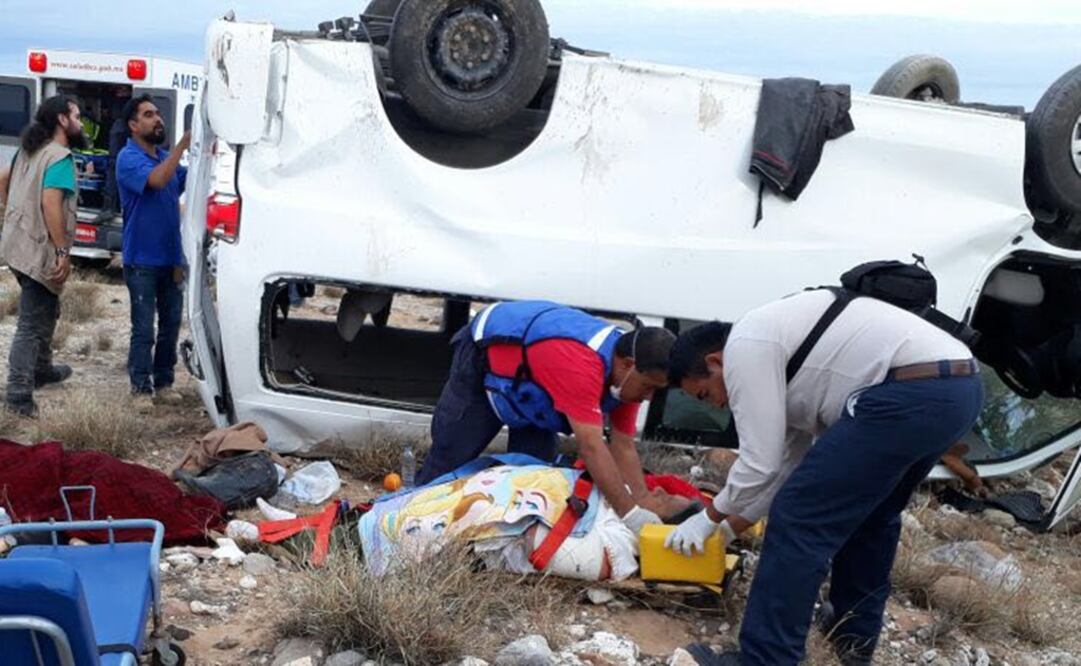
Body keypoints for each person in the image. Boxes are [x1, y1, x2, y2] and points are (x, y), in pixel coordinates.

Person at [664, 291, 984, 665]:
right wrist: (731, 527)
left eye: (705, 394)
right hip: (958, 388)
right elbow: (784, 467)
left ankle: (766, 658)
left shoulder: (746, 346)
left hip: (909, 391)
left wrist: (709, 517)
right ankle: (851, 642)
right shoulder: (779, 348)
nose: (716, 405)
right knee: (872, 517)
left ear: (715, 361)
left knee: (799, 518)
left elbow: (759, 463)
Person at [416, 300, 680, 533]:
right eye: (649, 387)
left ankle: (501, 542)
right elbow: (591, 447)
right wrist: (629, 515)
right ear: (628, 365)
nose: (649, 397)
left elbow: (623, 446)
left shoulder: (627, 379)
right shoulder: (582, 365)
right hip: (486, 359)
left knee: (533, 484)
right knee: (450, 458)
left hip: (538, 388)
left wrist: (641, 500)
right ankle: (408, 520)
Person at [0, 95, 84, 416]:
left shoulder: (29, 150)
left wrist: (13, 213)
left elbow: (3, 180)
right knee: (32, 323)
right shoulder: (59, 157)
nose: (80, 122)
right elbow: (51, 203)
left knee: (48, 308)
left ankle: (42, 368)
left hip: (16, 244)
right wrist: (62, 249)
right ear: (62, 120)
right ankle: (19, 392)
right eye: (76, 115)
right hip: (38, 249)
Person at [116, 94, 191, 408]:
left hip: (171, 258)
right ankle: (140, 388)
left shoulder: (164, 158)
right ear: (133, 125)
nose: (158, 119)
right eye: (149, 114)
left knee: (170, 326)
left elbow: (194, 180)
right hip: (142, 260)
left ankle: (164, 382)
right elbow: (159, 181)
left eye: (158, 114)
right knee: (144, 328)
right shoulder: (128, 158)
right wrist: (182, 147)